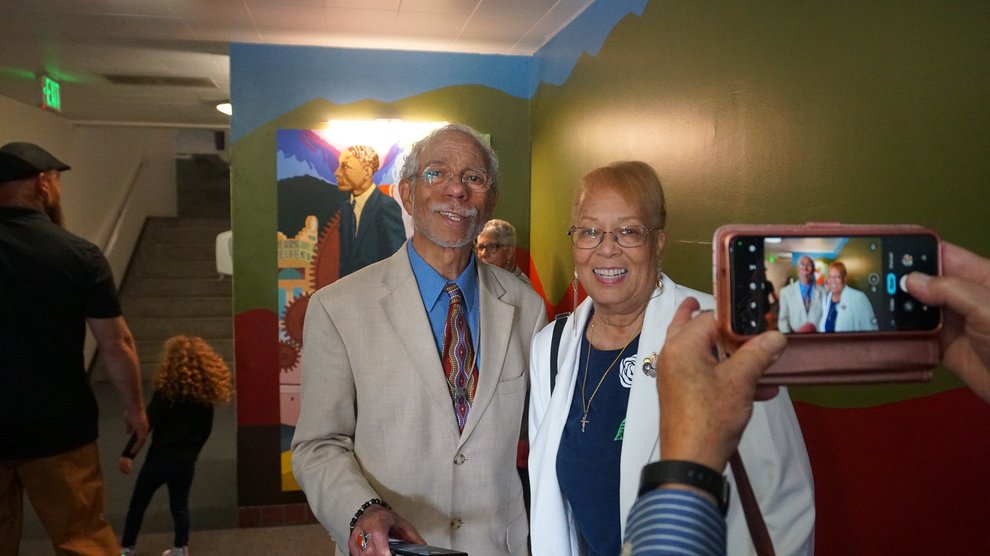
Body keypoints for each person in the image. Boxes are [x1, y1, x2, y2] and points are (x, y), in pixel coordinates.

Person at [624, 241, 990, 554]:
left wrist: (686, 456)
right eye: (590, 231)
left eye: (628, 232)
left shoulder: (714, 340)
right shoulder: (567, 332)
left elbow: (784, 492)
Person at [527, 161, 814, 556]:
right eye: (590, 231)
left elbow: (783, 500)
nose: (606, 248)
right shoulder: (551, 346)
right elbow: (554, 509)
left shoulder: (719, 333)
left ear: (658, 241)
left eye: (628, 231)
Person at [291, 124, 546, 556]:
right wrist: (362, 511)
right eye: (437, 174)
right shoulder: (339, 308)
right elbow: (318, 444)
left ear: (490, 200)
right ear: (407, 194)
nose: (456, 191)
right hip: (391, 548)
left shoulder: (527, 307)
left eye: (474, 178)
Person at [0, 141, 149, 554]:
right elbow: (116, 343)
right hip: (59, 427)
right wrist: (136, 409)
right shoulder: (78, 254)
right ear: (43, 184)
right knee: (81, 538)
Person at [118, 335, 233, 556]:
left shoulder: (165, 394)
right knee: (179, 505)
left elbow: (145, 426)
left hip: (158, 459)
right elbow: (205, 431)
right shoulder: (204, 399)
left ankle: (127, 548)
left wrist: (128, 455)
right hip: (185, 462)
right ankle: (181, 548)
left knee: (138, 503)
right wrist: (192, 453)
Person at [336, 144, 406, 278]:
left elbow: (397, 258)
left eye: (345, 166)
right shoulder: (346, 208)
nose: (337, 173)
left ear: (367, 172)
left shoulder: (385, 206)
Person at [819, 261, 878, 332]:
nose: (833, 280)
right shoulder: (826, 299)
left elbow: (871, 329)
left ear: (845, 278)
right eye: (830, 276)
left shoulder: (858, 298)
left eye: (837, 277)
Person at [476, 218, 531, 285]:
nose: (484, 254)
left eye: (492, 247)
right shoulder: (478, 280)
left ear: (509, 252)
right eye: (480, 247)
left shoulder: (521, 288)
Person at [777, 255, 824, 333]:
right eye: (802, 264)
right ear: (797, 269)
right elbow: (783, 320)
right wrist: (791, 339)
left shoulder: (824, 292)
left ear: (813, 270)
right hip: (795, 339)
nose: (805, 268)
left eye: (809, 265)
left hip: (818, 338)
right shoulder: (785, 292)